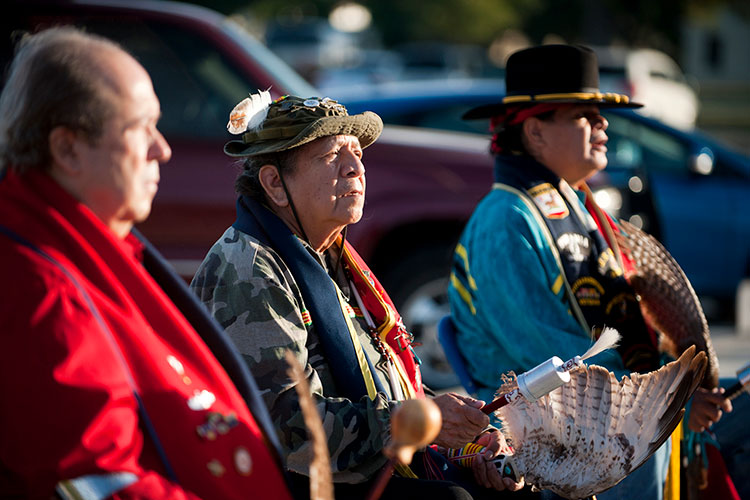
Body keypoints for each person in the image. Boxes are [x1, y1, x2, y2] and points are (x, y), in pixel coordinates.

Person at [190, 93, 529, 500]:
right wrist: (424, 422)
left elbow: (386, 384)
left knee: (516, 481)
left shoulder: (327, 255)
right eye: (331, 155)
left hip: (359, 470)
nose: (355, 167)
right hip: (297, 486)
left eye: (356, 152)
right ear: (275, 184)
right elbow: (291, 429)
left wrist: (467, 437)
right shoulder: (248, 269)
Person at [0, 27, 292, 500]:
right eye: (140, 128)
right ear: (68, 148)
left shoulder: (89, 248)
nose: (162, 149)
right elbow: (95, 483)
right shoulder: (40, 287)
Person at [447, 44, 733, 499]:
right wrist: (668, 399)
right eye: (584, 114)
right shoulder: (506, 219)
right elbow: (552, 358)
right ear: (535, 131)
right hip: (545, 432)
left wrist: (677, 386)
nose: (602, 124)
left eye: (600, 113)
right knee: (638, 448)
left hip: (604, 412)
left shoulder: (579, 205)